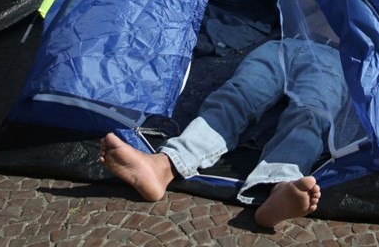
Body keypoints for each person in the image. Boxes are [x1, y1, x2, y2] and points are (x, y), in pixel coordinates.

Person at [99, 34, 348, 229]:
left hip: (334, 56)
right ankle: (165, 164)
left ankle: (281, 184)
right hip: (281, 45)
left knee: (311, 112)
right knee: (235, 95)